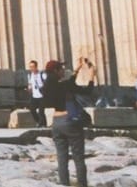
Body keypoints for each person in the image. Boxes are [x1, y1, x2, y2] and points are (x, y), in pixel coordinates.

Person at [44, 59, 96, 187]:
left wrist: (77, 69)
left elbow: (69, 82)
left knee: (62, 159)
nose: (64, 70)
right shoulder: (65, 85)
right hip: (69, 121)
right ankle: (82, 184)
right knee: (78, 157)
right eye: (61, 68)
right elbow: (87, 91)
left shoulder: (47, 86)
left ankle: (64, 184)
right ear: (56, 71)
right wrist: (92, 75)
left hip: (56, 122)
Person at [26, 60, 47, 126]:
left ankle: (43, 124)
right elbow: (30, 84)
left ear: (36, 67)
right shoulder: (30, 75)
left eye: (33, 67)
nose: (31, 68)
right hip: (34, 95)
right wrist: (29, 88)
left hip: (42, 95)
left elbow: (46, 82)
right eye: (30, 67)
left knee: (41, 111)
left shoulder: (42, 74)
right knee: (32, 109)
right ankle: (38, 121)